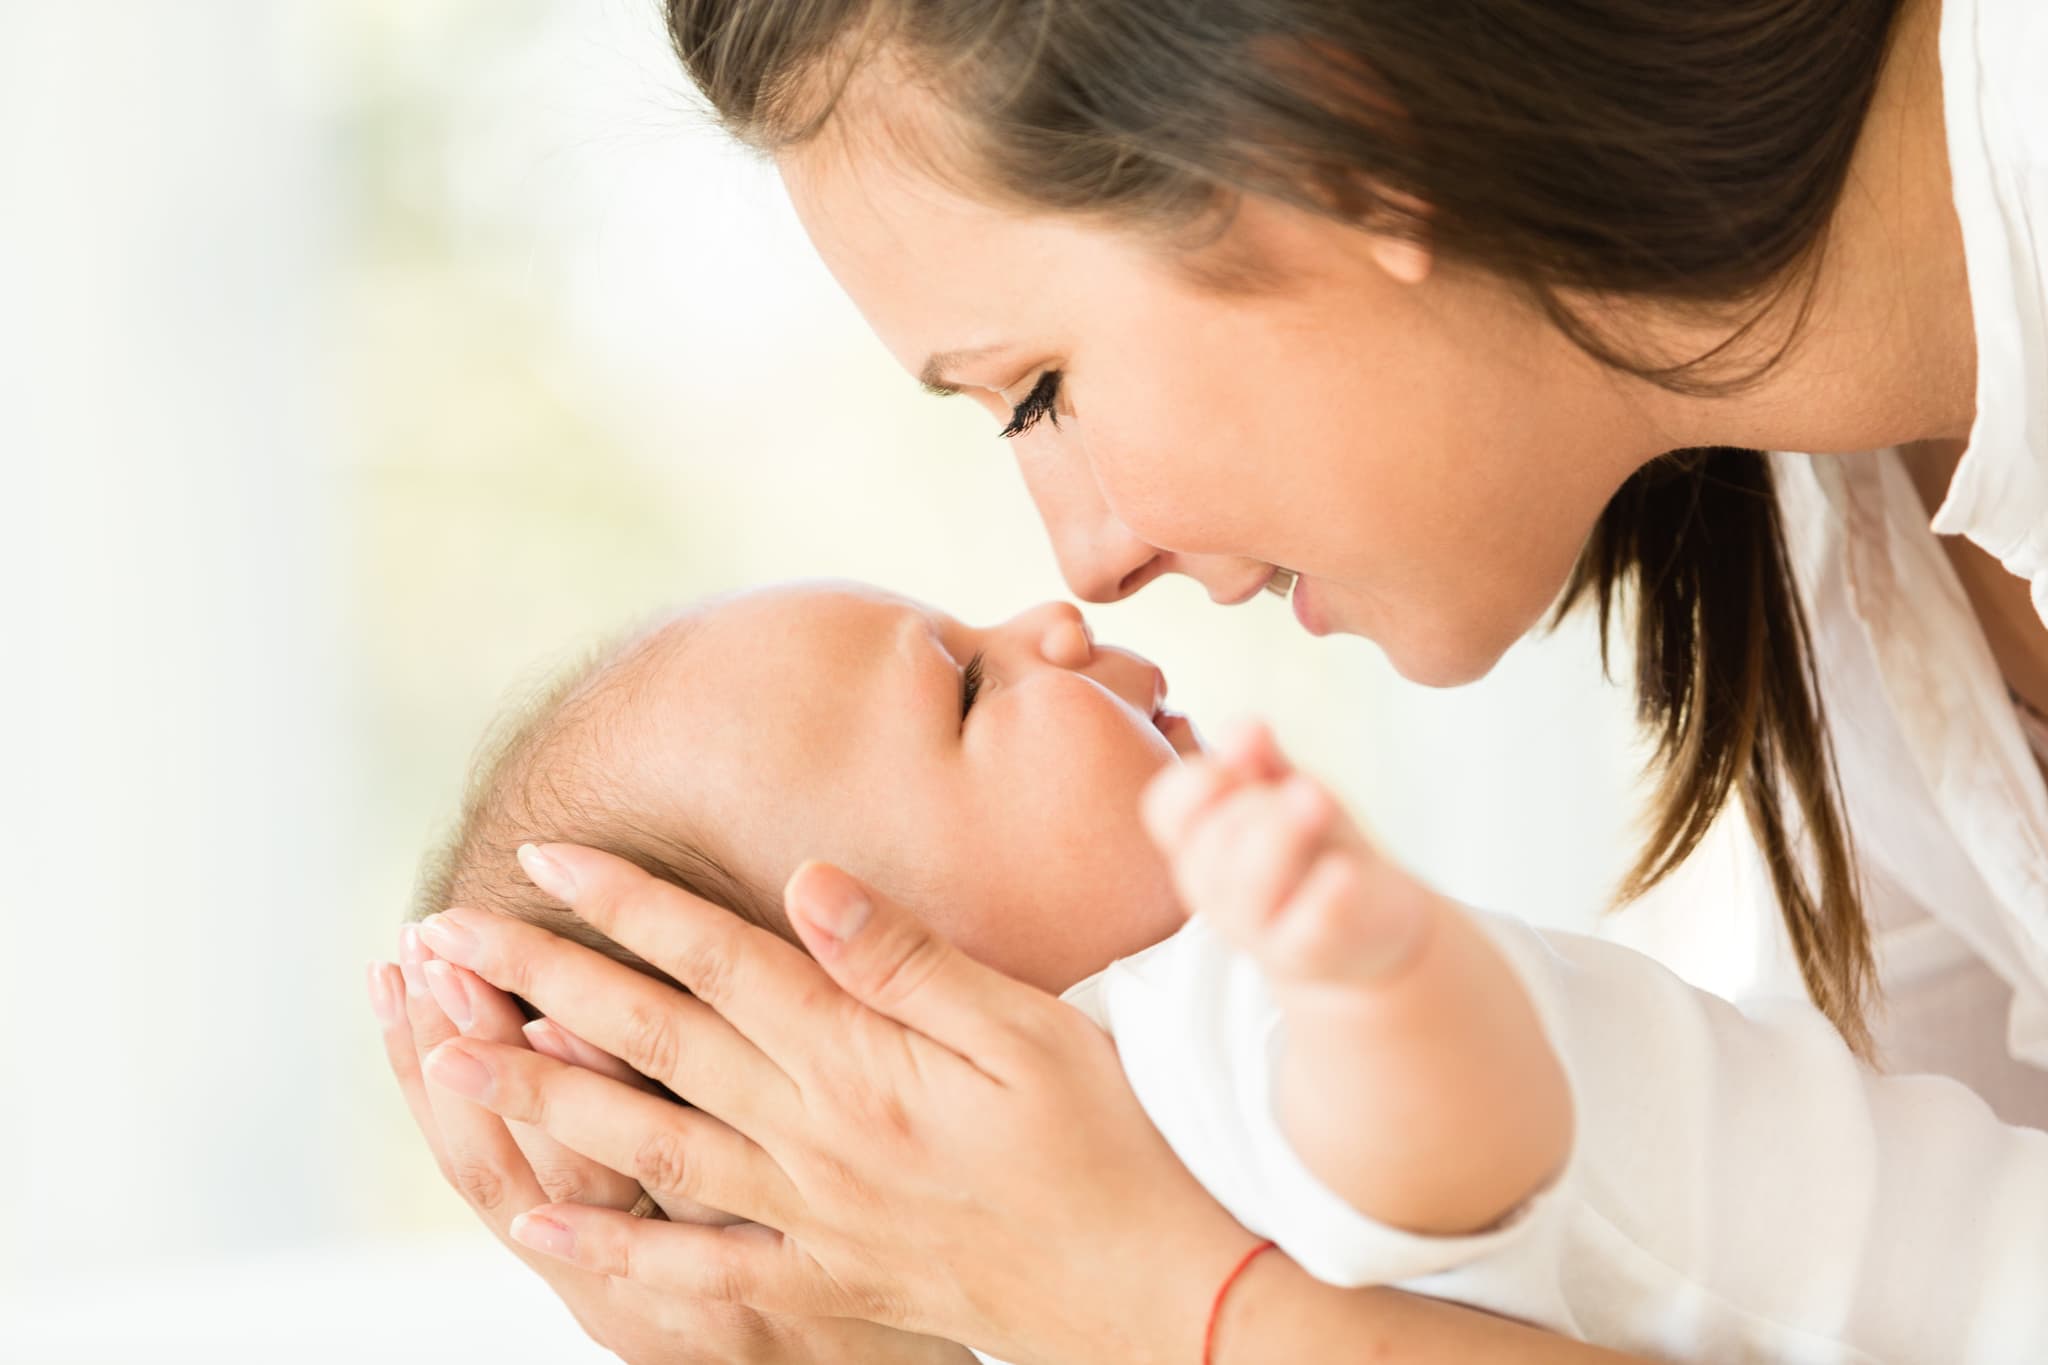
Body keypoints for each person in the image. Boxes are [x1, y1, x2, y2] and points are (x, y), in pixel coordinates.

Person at [368, 0, 2048, 1358]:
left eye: (1037, 390)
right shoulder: (1843, 553)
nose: (1083, 567)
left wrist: (1160, 1304)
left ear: (1334, 152)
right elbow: (1844, 1253)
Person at [401, 578, 2047, 1363]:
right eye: (966, 692)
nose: (1049, 619)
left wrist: (1366, 978)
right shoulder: (1194, 1038)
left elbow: (1461, 1170)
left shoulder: (1194, 1059)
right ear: (862, 995)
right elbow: (1452, 1158)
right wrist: (1367, 977)